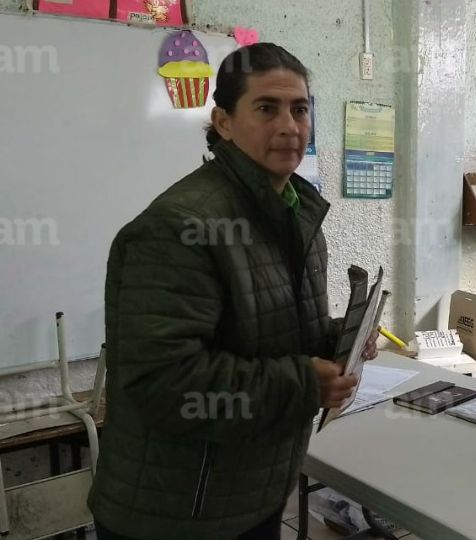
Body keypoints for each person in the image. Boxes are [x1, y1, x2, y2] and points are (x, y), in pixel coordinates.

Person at [88, 43, 373, 539]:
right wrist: (304, 384)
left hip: (252, 490)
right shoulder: (181, 226)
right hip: (177, 514)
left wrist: (338, 342)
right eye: (266, 108)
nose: (289, 126)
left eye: (300, 109)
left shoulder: (295, 210)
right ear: (223, 122)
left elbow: (269, 332)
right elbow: (167, 384)